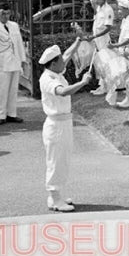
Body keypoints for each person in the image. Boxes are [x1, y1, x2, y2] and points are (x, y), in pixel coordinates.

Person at [39, 41, 92, 212]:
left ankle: (56, 196)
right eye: (61, 60)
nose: (65, 62)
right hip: (55, 125)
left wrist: (78, 41)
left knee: (63, 160)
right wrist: (83, 82)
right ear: (53, 63)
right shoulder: (47, 79)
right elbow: (63, 92)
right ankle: (55, 198)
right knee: (56, 161)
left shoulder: (55, 71)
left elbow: (67, 55)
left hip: (64, 122)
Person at [85, 0, 115, 101]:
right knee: (99, 64)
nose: (95, 0)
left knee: (104, 63)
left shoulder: (108, 10)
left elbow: (108, 27)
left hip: (103, 40)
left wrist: (95, 36)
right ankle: (101, 86)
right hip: (97, 40)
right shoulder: (99, 9)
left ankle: (106, 86)